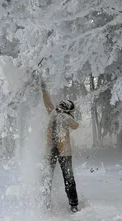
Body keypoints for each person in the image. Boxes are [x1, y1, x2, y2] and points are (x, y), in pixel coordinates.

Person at [40, 80, 80, 213]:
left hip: (49, 150)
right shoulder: (65, 116)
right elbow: (76, 125)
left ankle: (44, 203)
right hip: (64, 153)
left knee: (47, 177)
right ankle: (73, 205)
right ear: (68, 109)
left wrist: (44, 90)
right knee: (68, 178)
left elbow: (47, 103)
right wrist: (69, 116)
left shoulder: (52, 113)